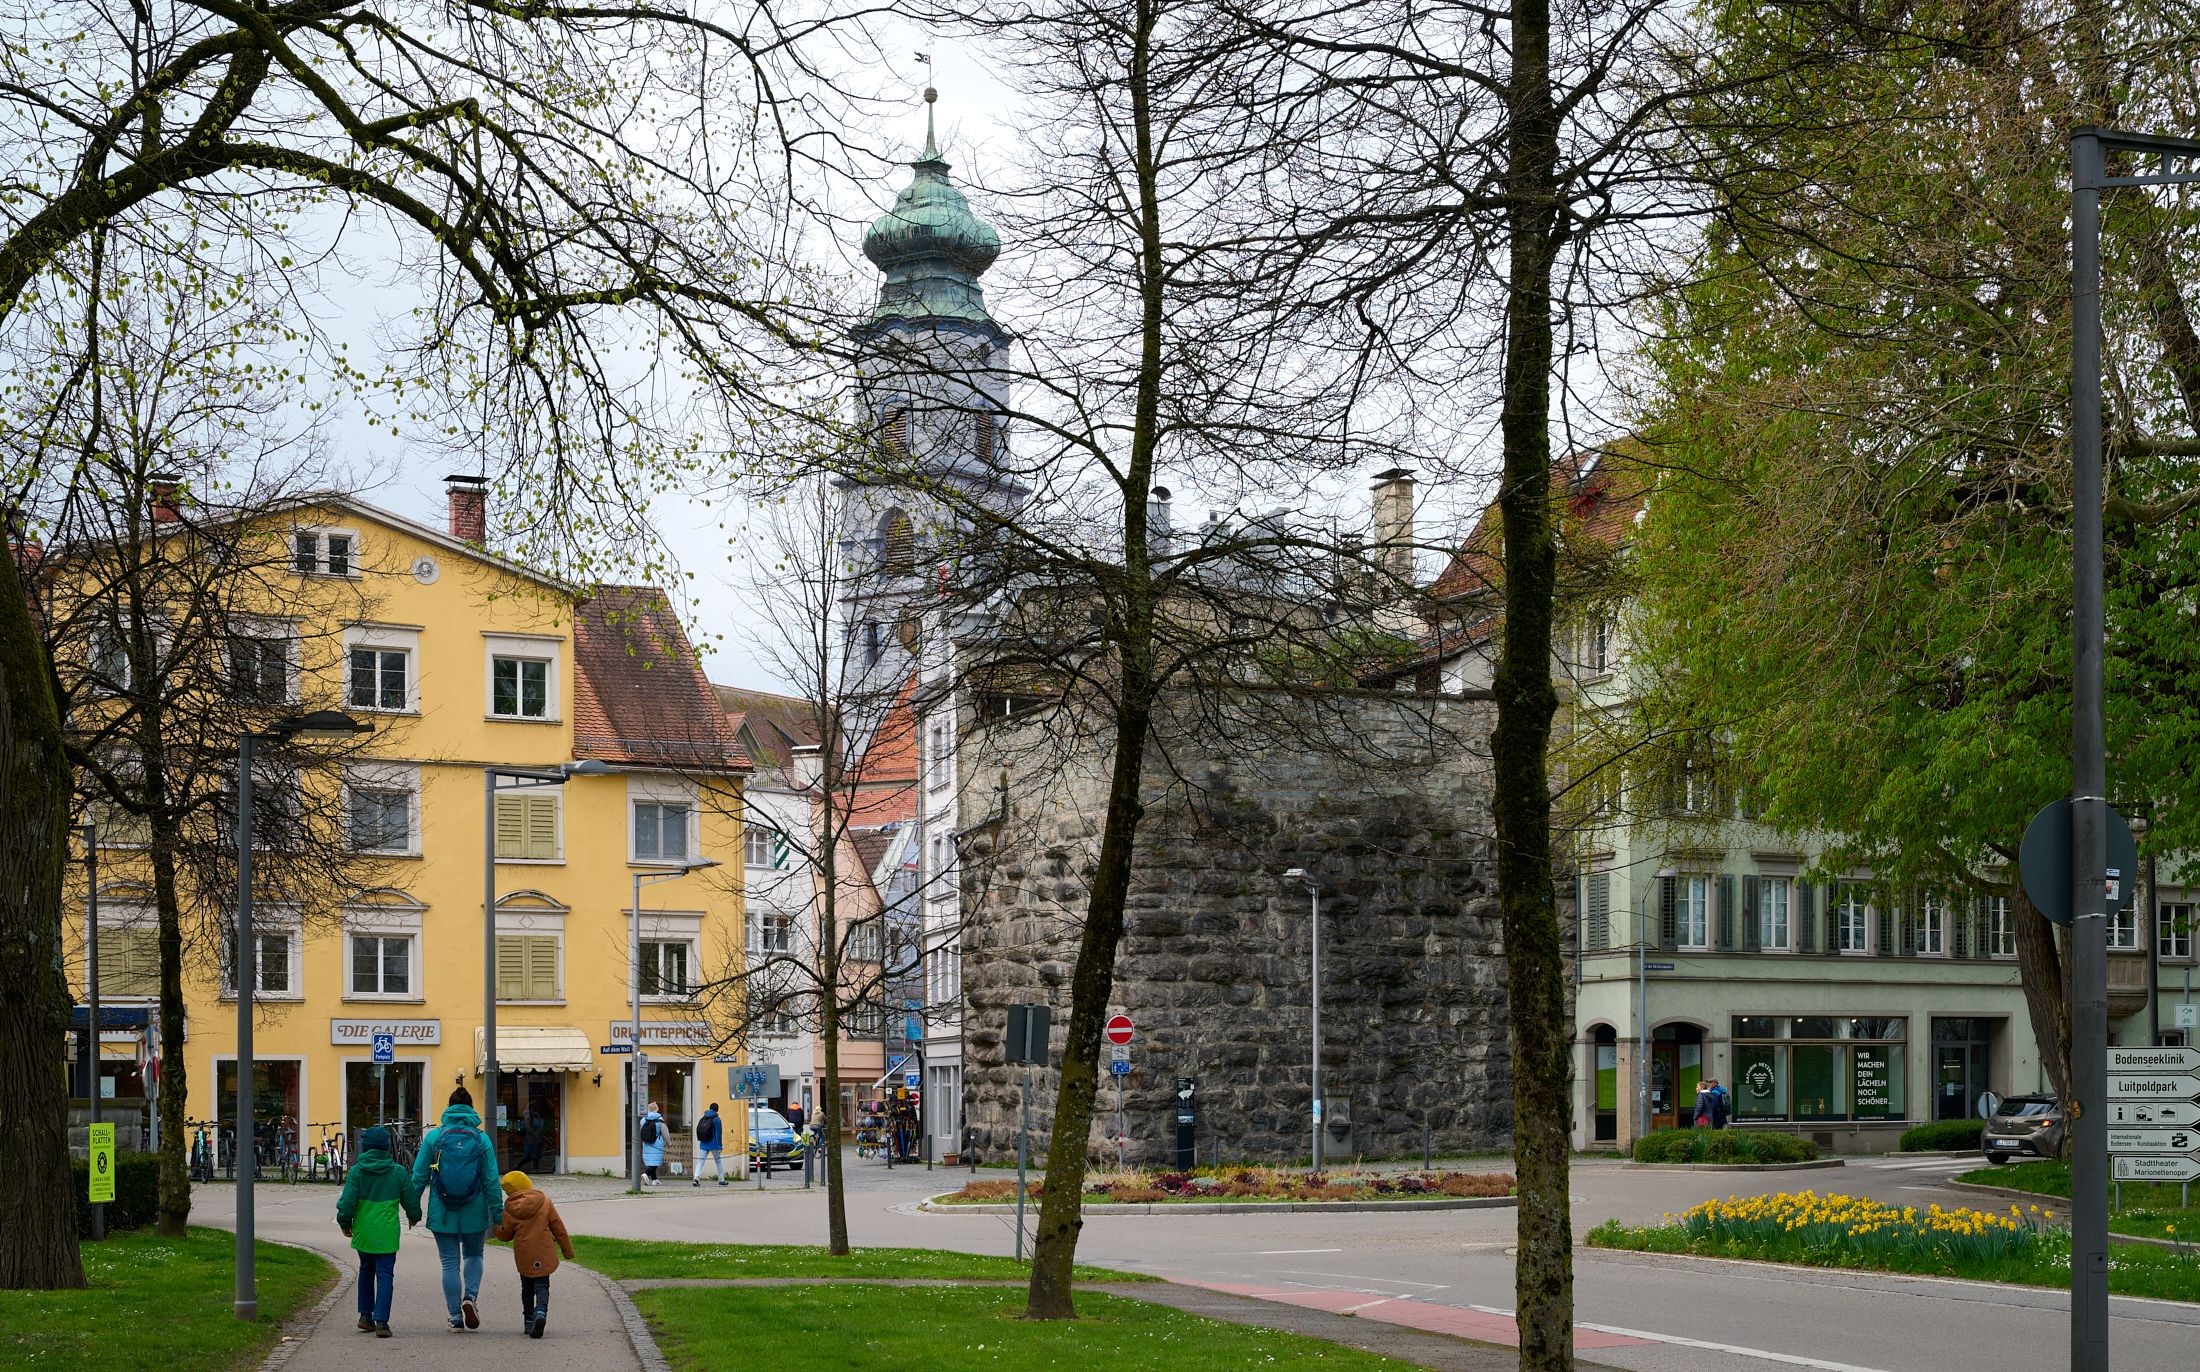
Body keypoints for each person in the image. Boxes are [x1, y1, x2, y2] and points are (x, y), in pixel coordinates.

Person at [412, 1085, 505, 1331]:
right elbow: (491, 1180)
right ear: (471, 1109)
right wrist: (498, 1214)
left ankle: (455, 1316)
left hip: (442, 1210)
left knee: (449, 1263)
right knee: (474, 1255)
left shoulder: (434, 1137)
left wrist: (412, 1209)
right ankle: (470, 1298)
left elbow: (419, 1176)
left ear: (449, 1108)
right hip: (475, 1208)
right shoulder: (481, 1139)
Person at [335, 1125, 421, 1339]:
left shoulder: (356, 1172)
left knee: (366, 1270)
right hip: (387, 1233)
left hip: (363, 1231)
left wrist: (344, 1222)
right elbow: (411, 1200)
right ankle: (382, 1321)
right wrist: (414, 1216)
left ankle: (365, 1316)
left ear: (365, 1148)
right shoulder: (398, 1172)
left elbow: (347, 1203)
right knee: (385, 1275)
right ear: (386, 1148)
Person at [491, 1171, 574, 1339]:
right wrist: (567, 1251)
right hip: (544, 1252)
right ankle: (541, 1312)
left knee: (527, 1287)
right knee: (542, 1285)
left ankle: (528, 1321)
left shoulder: (510, 1209)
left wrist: (496, 1229)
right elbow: (558, 1227)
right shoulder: (544, 1202)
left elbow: (506, 1235)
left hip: (524, 1254)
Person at [693, 1103, 726, 1187]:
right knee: (718, 1162)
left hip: (704, 1143)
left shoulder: (704, 1117)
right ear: (717, 1110)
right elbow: (718, 1134)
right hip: (714, 1144)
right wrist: (720, 1146)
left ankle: (696, 1178)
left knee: (700, 1161)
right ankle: (721, 1180)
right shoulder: (717, 1120)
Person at [639, 1100, 667, 1186]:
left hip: (646, 1143)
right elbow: (665, 1133)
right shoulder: (659, 1120)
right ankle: (646, 1174)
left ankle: (655, 1180)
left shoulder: (643, 1120)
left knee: (651, 1161)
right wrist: (669, 1142)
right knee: (655, 1162)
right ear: (656, 1109)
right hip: (657, 1144)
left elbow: (640, 1131)